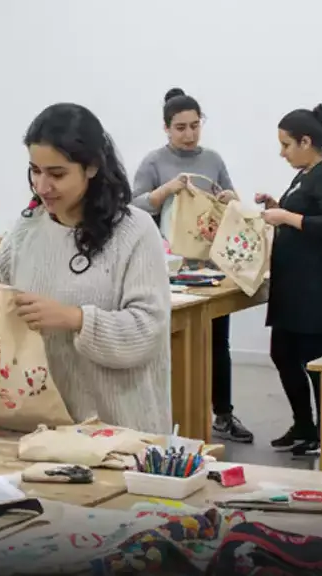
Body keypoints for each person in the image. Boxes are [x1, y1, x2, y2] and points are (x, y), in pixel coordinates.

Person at [0, 103, 173, 434]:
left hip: (118, 430)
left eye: (56, 174)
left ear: (92, 167)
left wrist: (75, 319)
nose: (42, 187)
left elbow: (147, 331)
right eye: (35, 171)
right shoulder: (28, 227)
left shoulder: (136, 231)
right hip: (38, 425)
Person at [128, 88, 250, 444]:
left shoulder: (212, 159)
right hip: (168, 266)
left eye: (195, 125)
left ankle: (223, 414)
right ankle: (167, 414)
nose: (189, 134)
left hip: (211, 265)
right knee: (167, 340)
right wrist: (165, 190)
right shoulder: (153, 162)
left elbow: (234, 204)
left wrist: (231, 198)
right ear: (166, 128)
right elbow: (133, 208)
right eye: (180, 127)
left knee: (218, 342)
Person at [254, 104, 322, 456]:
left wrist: (286, 215)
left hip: (317, 289)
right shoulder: (306, 173)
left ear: (306, 141)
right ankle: (303, 424)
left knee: (314, 361)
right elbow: (306, 212)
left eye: (286, 145)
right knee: (282, 354)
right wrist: (277, 205)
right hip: (293, 288)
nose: (281, 153)